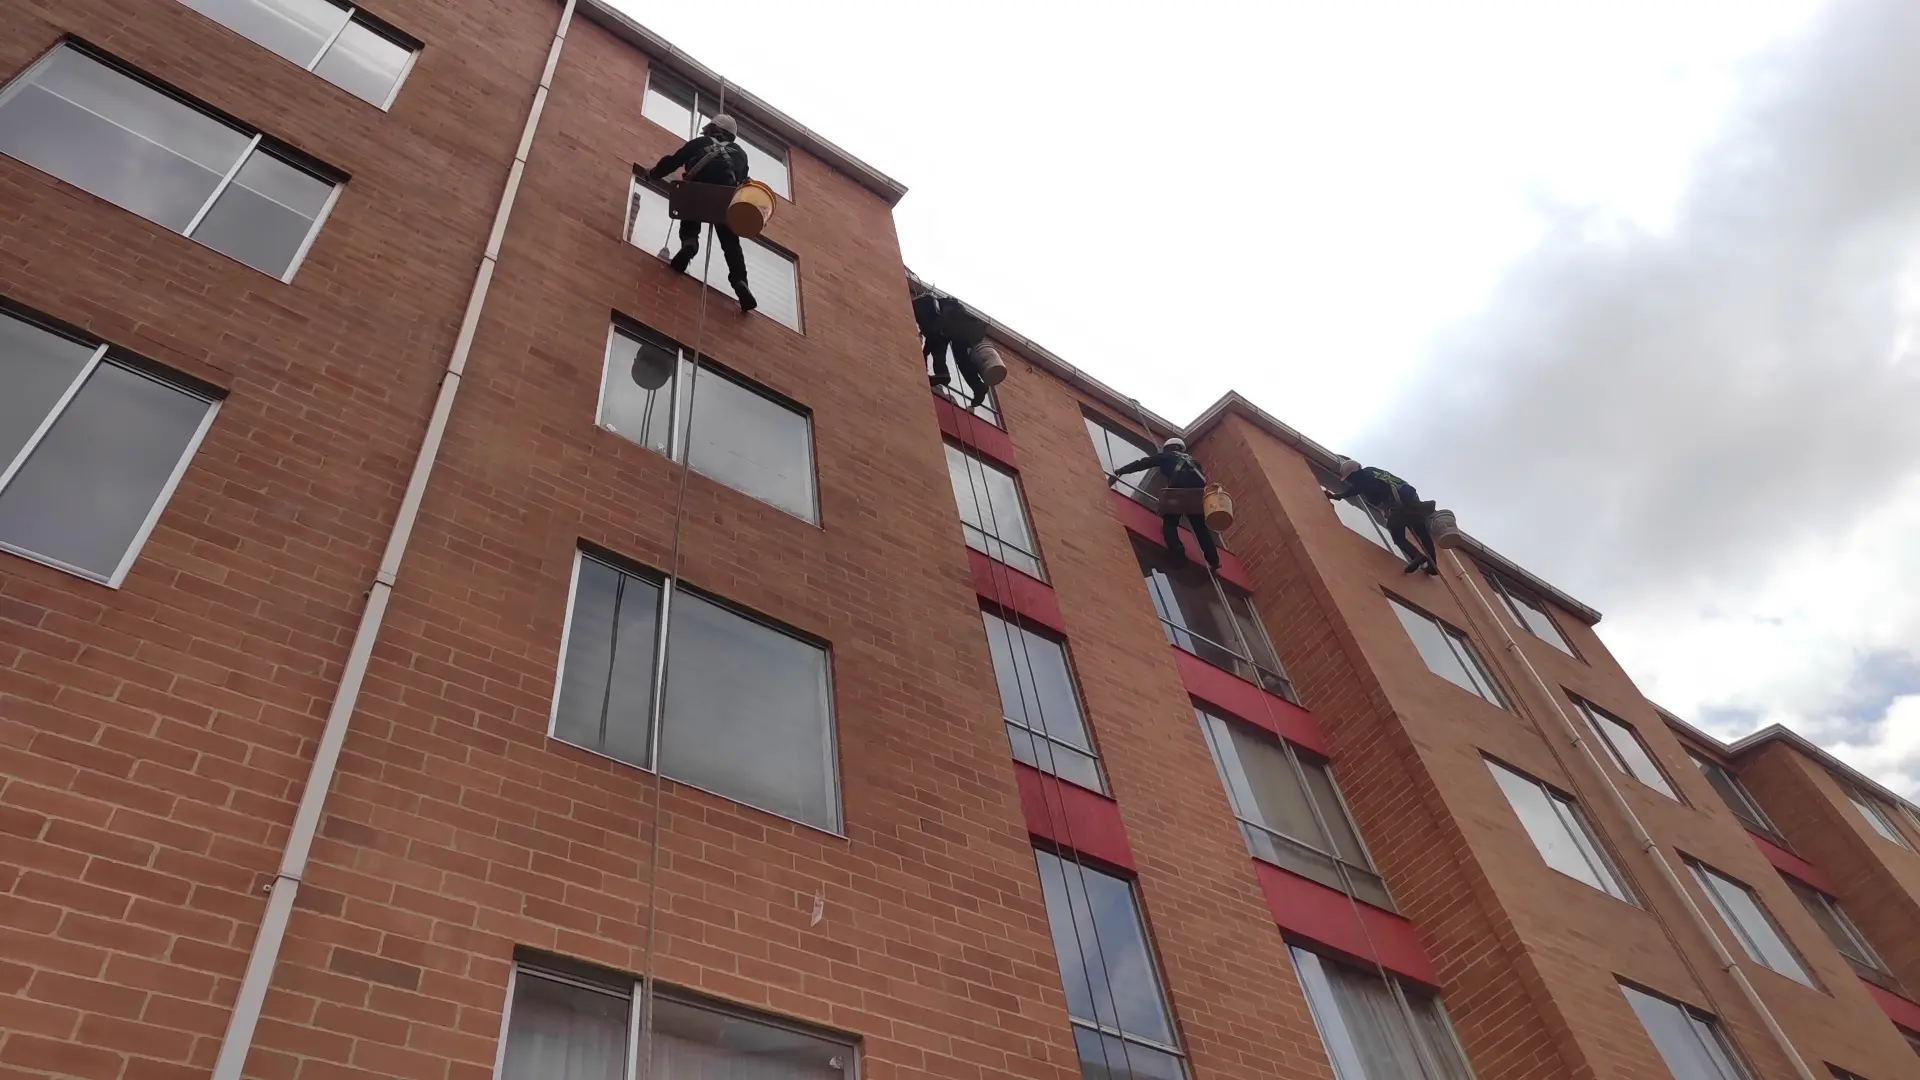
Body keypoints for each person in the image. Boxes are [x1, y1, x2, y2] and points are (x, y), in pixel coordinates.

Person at [646, 115, 756, 313]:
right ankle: (740, 280)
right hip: (724, 197)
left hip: (696, 189)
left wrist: (654, 174)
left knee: (690, 216)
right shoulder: (740, 153)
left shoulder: (700, 143)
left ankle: (689, 244)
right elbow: (742, 180)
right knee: (730, 243)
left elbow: (673, 161)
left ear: (713, 129)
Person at [1109, 437, 1221, 571]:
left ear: (1168, 448)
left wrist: (1122, 470)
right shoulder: (1194, 462)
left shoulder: (1167, 456)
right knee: (1200, 529)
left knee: (1170, 524)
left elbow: (1143, 463)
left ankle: (1177, 551)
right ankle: (1214, 560)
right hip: (1196, 496)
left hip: (1177, 492)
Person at [1326, 459, 1438, 574]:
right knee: (1423, 534)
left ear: (1354, 475)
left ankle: (1416, 556)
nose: (1350, 482)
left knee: (1397, 534)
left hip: (1399, 505)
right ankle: (1433, 565)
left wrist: (1337, 496)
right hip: (1413, 502)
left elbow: (1366, 496)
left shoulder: (1364, 477)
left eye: (1350, 479)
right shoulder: (1372, 471)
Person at [913, 291, 989, 409]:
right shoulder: (936, 308)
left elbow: (932, 334)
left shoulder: (921, 309)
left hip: (950, 324)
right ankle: (978, 387)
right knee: (961, 358)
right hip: (960, 327)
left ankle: (943, 373)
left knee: (938, 342)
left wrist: (924, 355)